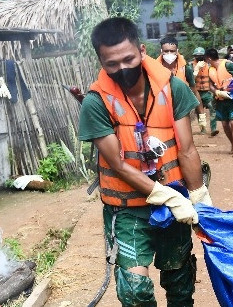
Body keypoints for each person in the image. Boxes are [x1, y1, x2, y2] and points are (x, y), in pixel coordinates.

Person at [78, 17, 212, 306]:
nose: (122, 69)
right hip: (127, 211)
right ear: (101, 61)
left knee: (179, 282)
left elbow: (187, 150)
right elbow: (118, 164)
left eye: (128, 59)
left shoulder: (173, 88)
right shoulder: (96, 102)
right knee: (135, 291)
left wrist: (200, 196)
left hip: (175, 196)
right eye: (111, 63)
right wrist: (165, 197)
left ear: (141, 51)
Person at [157, 36, 206, 133]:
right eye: (166, 51)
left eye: (172, 51)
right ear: (161, 51)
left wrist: (201, 114)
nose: (169, 54)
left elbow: (194, 91)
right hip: (161, 109)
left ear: (177, 51)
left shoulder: (185, 68)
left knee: (183, 137)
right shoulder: (154, 68)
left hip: (181, 109)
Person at [205, 48, 233, 157]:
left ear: (209, 58)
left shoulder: (227, 65)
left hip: (232, 99)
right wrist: (217, 92)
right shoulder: (210, 70)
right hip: (220, 100)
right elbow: (210, 86)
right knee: (224, 124)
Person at [192, 47, 219, 136]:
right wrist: (196, 69)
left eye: (201, 56)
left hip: (207, 92)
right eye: (197, 56)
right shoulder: (190, 66)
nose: (199, 57)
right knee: (199, 112)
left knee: (212, 108)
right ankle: (203, 129)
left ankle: (213, 128)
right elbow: (190, 79)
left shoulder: (209, 66)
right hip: (196, 92)